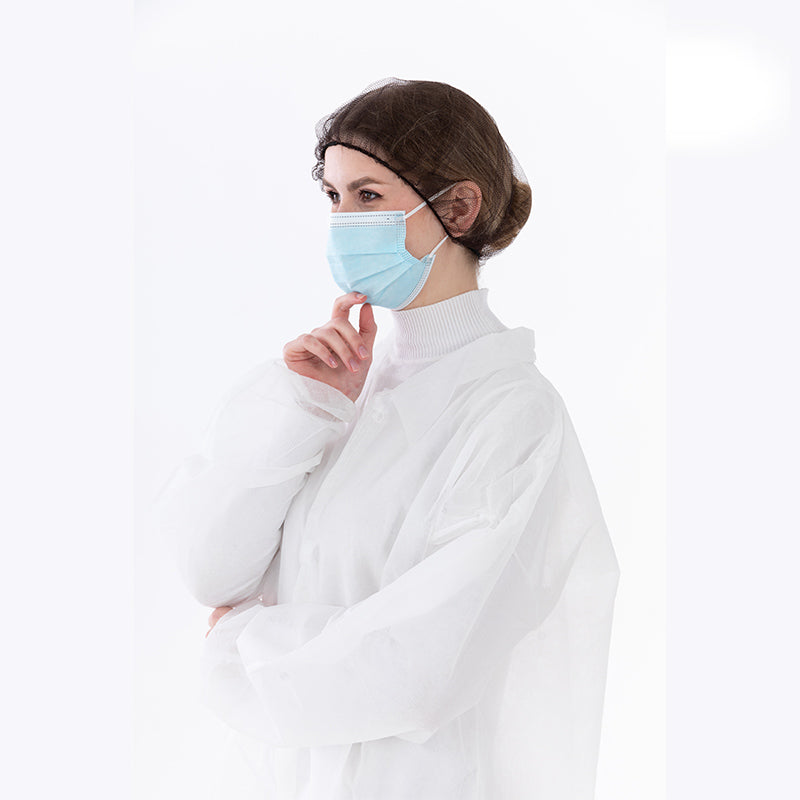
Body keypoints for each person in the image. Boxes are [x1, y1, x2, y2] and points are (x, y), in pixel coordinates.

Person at [153, 78, 620, 800]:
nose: (343, 222)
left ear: (458, 208)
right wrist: (302, 407)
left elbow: (421, 664)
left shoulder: (512, 415)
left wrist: (238, 646)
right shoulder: (341, 384)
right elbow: (210, 570)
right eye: (333, 197)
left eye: (368, 196)